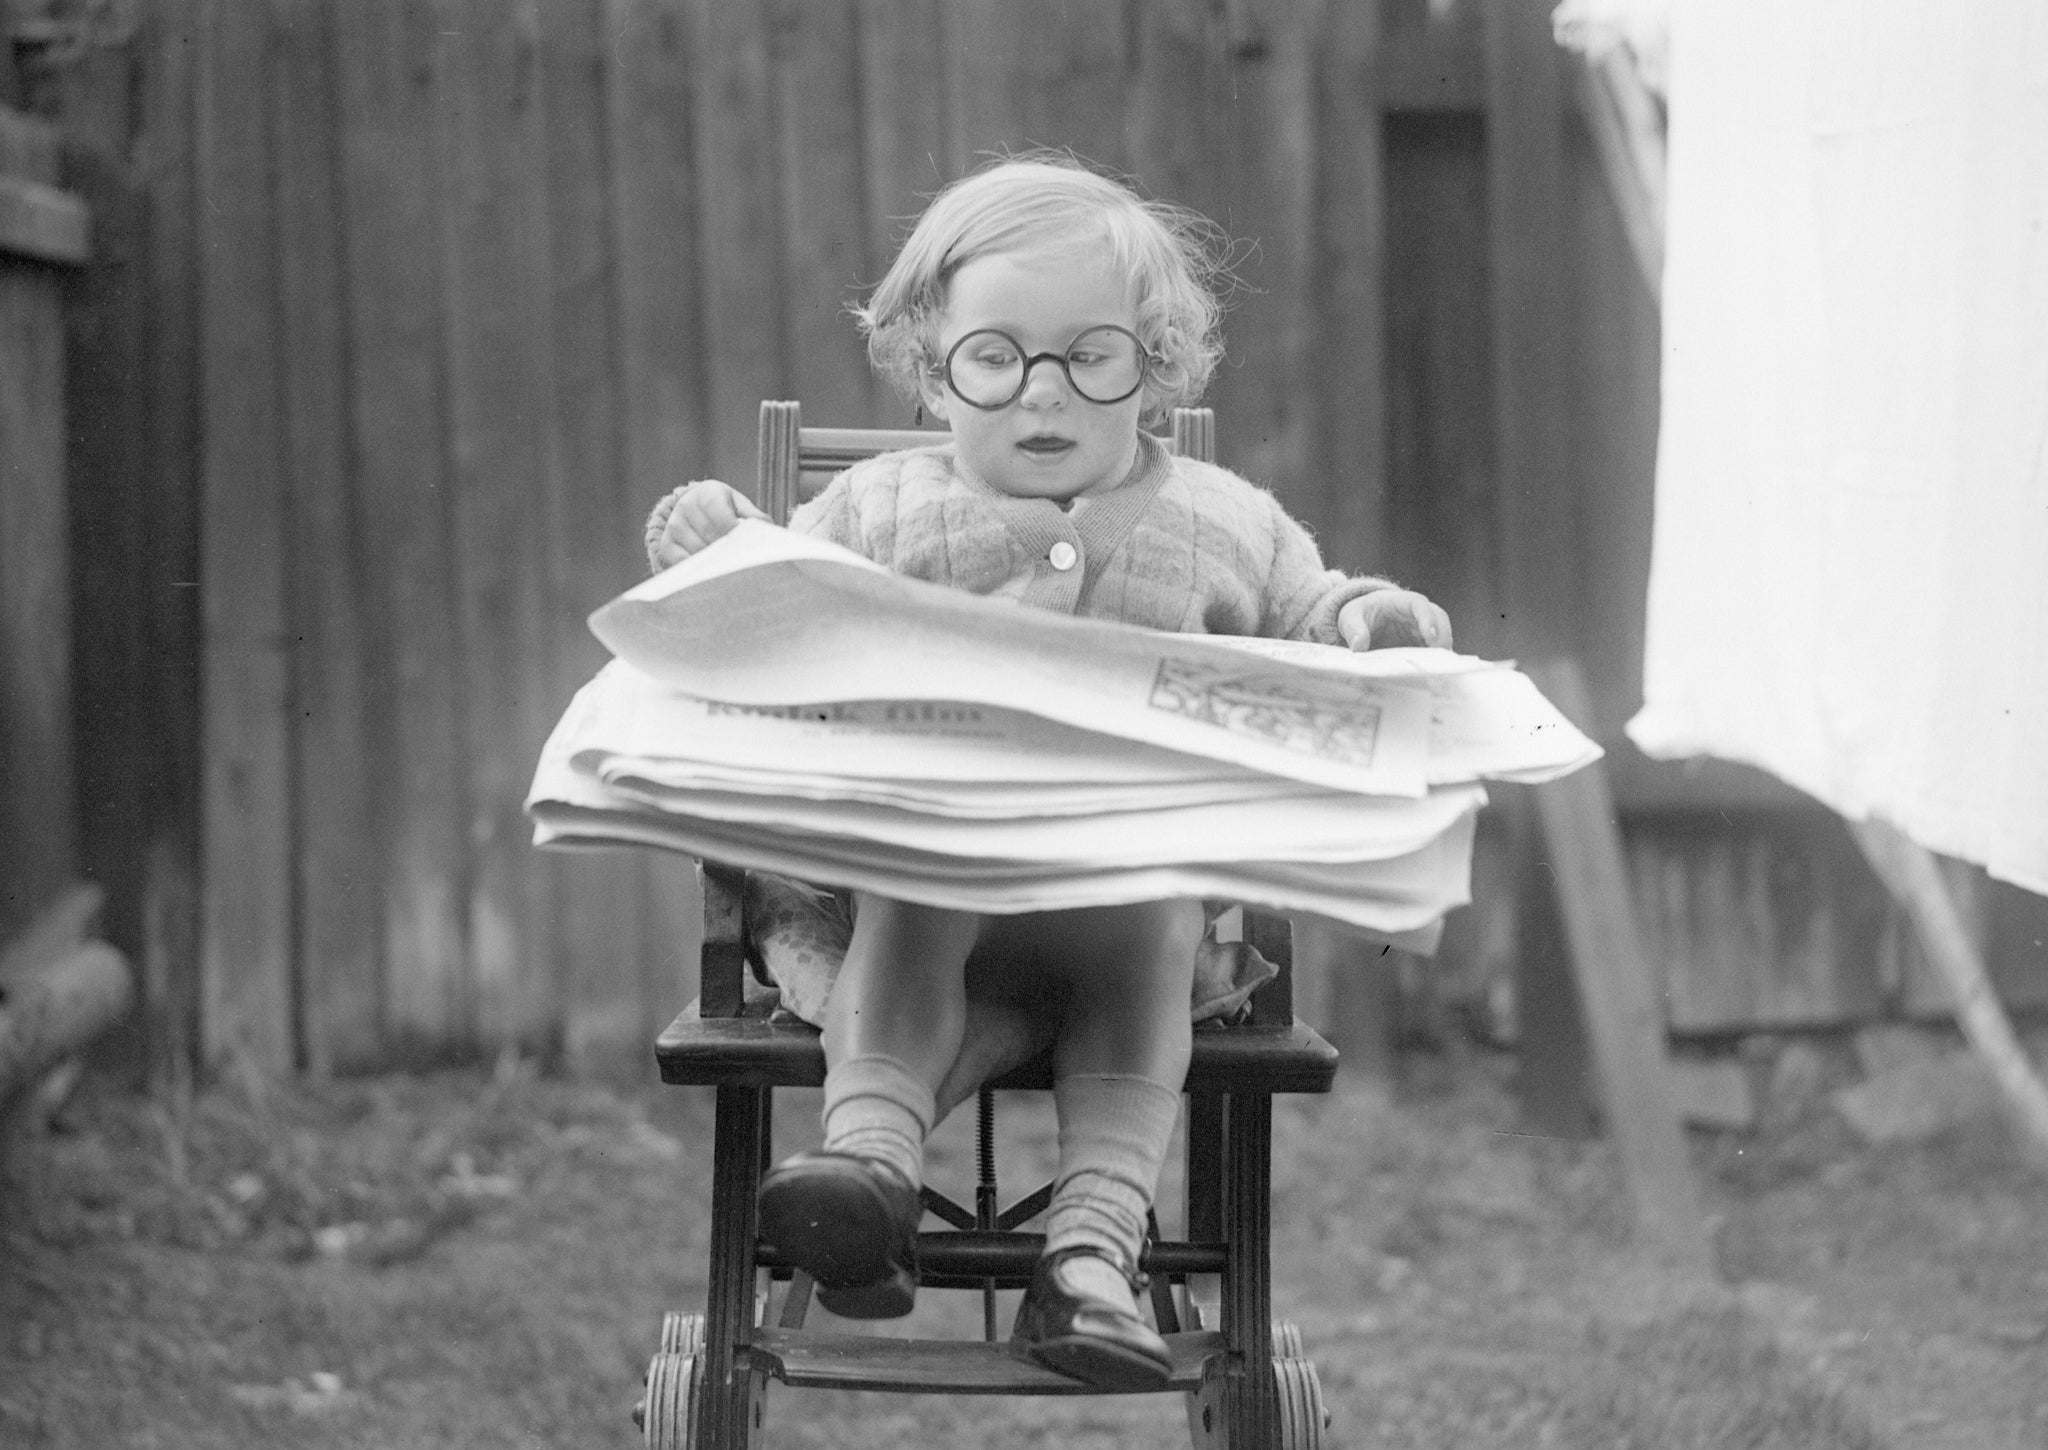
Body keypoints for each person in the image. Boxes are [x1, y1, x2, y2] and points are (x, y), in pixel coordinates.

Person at [644, 153, 1452, 1391]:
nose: (1044, 395)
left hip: (1120, 912)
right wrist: (713, 553)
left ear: (1157, 362)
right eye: (995, 357)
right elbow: (768, 611)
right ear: (931, 363)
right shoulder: (874, 507)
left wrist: (1366, 623)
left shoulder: (1222, 516)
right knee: (925, 880)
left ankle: (1084, 1256)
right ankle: (864, 1173)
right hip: (914, 899)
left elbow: (1311, 604)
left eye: (1093, 356)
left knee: (1152, 920)